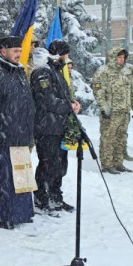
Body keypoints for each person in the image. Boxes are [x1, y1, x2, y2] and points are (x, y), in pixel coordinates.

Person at [0, 36, 36, 229]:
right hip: (1, 136)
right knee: (0, 178)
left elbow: (26, 102)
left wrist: (28, 131)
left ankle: (21, 212)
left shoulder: (19, 70)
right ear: (3, 51)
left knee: (19, 178)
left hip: (18, 132)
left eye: (20, 51)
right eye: (15, 51)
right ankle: (1, 215)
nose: (19, 54)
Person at [30, 41, 79, 214]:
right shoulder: (43, 71)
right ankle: (41, 198)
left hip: (58, 126)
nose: (67, 58)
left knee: (59, 164)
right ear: (60, 54)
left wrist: (72, 103)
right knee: (48, 164)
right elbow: (46, 100)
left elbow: (62, 95)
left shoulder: (56, 70)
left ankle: (55, 196)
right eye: (66, 54)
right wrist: (68, 106)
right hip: (46, 127)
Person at [92, 46, 133, 174]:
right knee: (108, 138)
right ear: (113, 57)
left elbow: (132, 90)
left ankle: (118, 163)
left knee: (121, 138)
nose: (122, 60)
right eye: (119, 57)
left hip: (124, 111)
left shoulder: (126, 72)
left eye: (123, 57)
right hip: (111, 113)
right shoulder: (103, 72)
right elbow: (98, 91)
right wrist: (104, 108)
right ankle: (107, 165)